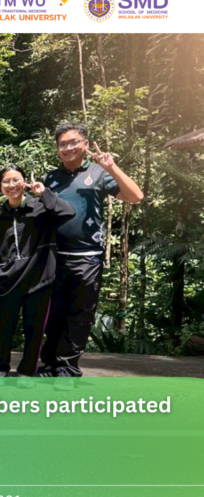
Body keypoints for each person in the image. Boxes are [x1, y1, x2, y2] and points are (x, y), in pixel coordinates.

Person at [41, 123, 143, 382]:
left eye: (74, 142)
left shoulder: (98, 173)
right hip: (53, 258)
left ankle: (67, 369)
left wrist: (112, 167)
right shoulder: (49, 179)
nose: (68, 148)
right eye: (63, 144)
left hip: (86, 258)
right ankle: (49, 364)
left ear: (85, 144)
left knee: (79, 314)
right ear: (57, 148)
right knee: (53, 313)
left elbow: (135, 196)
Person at [0, 166, 75, 385]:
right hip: (8, 280)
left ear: (24, 182)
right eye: (6, 181)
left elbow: (68, 212)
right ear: (0, 186)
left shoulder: (41, 208)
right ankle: (0, 368)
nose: (11, 185)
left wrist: (44, 193)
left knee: (34, 329)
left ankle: (27, 371)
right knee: (4, 327)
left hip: (38, 279)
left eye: (16, 180)